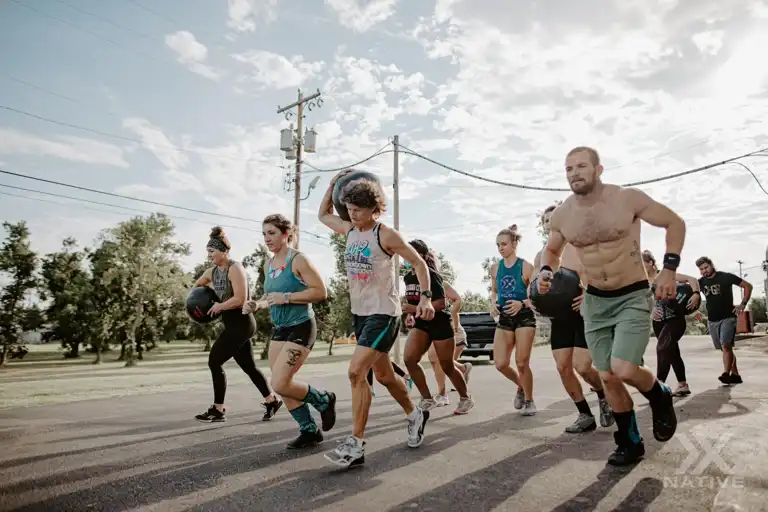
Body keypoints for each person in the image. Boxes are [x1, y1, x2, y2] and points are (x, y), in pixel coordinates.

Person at [537, 146, 683, 466]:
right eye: (568, 168)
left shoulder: (625, 199)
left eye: (581, 166)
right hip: (595, 302)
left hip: (631, 294)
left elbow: (674, 223)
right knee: (607, 376)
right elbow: (551, 251)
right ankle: (629, 442)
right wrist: (545, 273)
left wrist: (669, 269)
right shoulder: (563, 214)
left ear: (598, 169)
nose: (574, 173)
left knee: (624, 368)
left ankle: (660, 394)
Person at [318, 170, 435, 468]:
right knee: (384, 376)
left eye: (359, 210)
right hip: (361, 313)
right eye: (350, 210)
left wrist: (424, 297)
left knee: (356, 372)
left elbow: (419, 263)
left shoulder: (385, 234)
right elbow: (323, 214)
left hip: (384, 314)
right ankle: (414, 414)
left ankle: (355, 444)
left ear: (374, 208)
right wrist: (333, 184)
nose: (353, 214)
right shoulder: (350, 230)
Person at [242, 214, 337, 449]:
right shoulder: (269, 263)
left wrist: (287, 297)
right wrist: (258, 304)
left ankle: (324, 399)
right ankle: (309, 430)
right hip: (280, 329)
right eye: (264, 234)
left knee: (281, 382)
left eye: (272, 233)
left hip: (302, 326)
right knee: (280, 384)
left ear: (286, 234)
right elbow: (271, 298)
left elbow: (320, 292)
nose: (267, 238)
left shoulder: (299, 260)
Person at [533, 205, 613, 433]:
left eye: (554, 218)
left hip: (583, 313)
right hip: (560, 317)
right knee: (563, 367)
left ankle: (603, 395)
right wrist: (535, 300)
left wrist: (589, 293)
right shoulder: (542, 256)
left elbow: (603, 273)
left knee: (583, 366)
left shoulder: (581, 245)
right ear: (543, 226)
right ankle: (584, 414)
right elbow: (535, 287)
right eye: (546, 220)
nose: (551, 222)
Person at [194, 226, 282, 423]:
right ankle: (271, 401)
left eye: (212, 252)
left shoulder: (235, 268)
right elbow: (197, 287)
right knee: (249, 367)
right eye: (208, 252)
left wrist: (219, 305)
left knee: (214, 361)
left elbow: (240, 298)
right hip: (231, 324)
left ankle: (218, 409)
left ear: (224, 252)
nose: (209, 255)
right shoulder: (212, 272)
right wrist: (204, 298)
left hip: (242, 323)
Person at [402, 240, 474, 415]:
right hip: (421, 323)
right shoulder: (408, 277)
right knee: (409, 359)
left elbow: (442, 303)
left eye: (411, 252)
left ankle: (465, 398)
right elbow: (414, 300)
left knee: (447, 365)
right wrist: (410, 315)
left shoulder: (432, 275)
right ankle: (427, 398)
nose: (406, 257)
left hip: (439, 322)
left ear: (423, 256)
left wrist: (414, 309)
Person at [490, 225, 537, 415]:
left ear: (514, 243)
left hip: (524, 317)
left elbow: (536, 295)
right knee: (500, 363)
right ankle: (521, 386)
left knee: (522, 362)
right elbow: (494, 291)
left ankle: (529, 400)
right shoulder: (494, 268)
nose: (500, 248)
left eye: (504, 244)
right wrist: (492, 303)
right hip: (504, 318)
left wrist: (522, 303)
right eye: (497, 245)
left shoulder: (526, 266)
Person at [642, 250, 700, 396]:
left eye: (642, 263)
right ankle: (683, 385)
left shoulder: (665, 275)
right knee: (672, 352)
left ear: (650, 262)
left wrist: (696, 294)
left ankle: (658, 388)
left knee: (662, 349)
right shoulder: (641, 281)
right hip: (658, 322)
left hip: (675, 320)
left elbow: (692, 279)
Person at [696, 256, 752, 385]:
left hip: (728, 317)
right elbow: (693, 295)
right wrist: (696, 311)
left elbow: (748, 286)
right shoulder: (701, 282)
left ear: (711, 265)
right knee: (725, 348)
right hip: (712, 320)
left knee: (726, 345)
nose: (704, 271)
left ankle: (726, 373)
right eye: (701, 269)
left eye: (706, 267)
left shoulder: (725, 277)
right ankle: (736, 375)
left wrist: (743, 303)